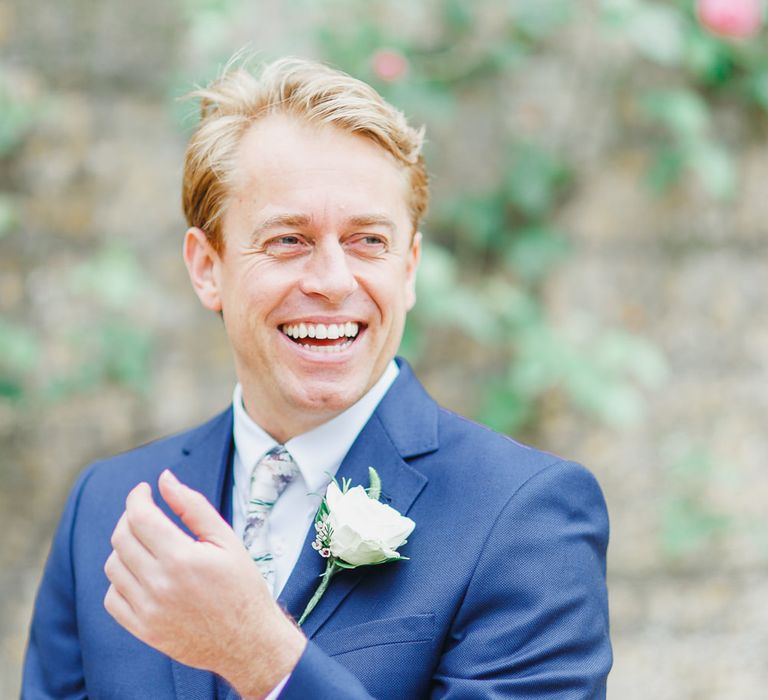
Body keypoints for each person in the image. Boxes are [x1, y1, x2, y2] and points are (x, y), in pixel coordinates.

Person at [22, 56, 612, 699]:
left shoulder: (525, 514)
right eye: (288, 240)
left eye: (368, 242)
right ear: (206, 267)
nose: (332, 282)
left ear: (409, 268)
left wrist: (264, 658)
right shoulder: (105, 507)